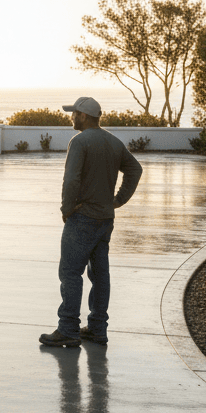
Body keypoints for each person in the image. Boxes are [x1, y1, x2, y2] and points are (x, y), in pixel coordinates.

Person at [39, 96, 142, 348]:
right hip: (105, 219)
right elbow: (135, 169)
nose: (71, 117)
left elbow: (71, 179)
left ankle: (68, 330)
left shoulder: (80, 141)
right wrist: (118, 200)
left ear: (84, 116)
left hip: (83, 217)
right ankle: (97, 329)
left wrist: (66, 208)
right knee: (100, 274)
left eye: (74, 113)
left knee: (71, 273)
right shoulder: (114, 142)